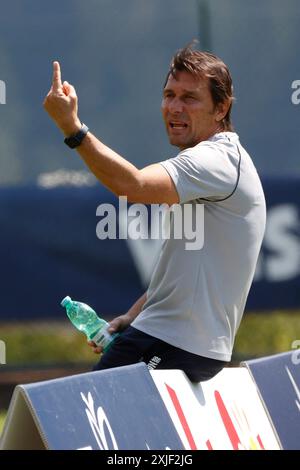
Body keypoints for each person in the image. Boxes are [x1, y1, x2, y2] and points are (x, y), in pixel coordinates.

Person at [44, 43, 266, 382]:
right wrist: (132, 316)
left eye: (189, 98)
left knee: (76, 423)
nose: (174, 107)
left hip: (171, 343)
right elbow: (181, 273)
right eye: (169, 95)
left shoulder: (213, 161)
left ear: (220, 109)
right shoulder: (217, 163)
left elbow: (133, 186)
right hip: (178, 343)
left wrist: (72, 129)